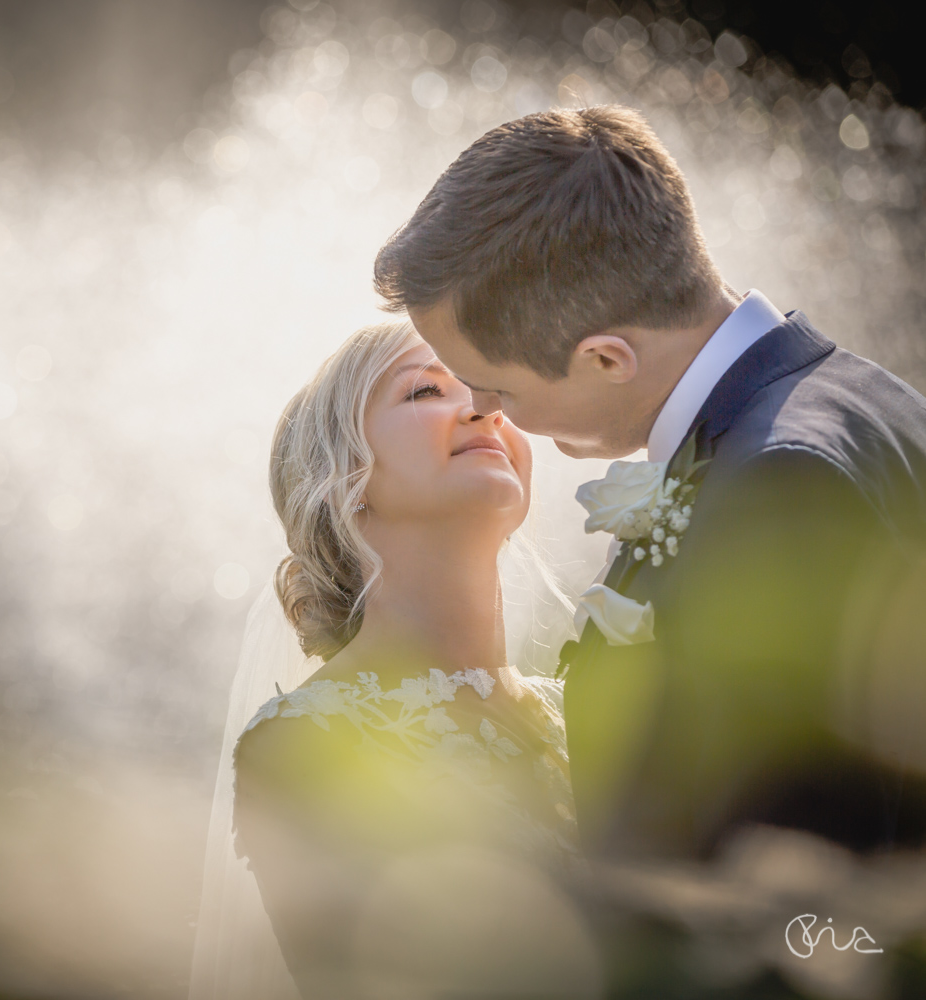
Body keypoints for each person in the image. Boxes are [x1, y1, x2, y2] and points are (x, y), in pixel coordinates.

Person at [372, 105, 926, 865]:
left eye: (492, 386)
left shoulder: (777, 485)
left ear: (607, 358)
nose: (483, 412)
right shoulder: (868, 398)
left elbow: (807, 899)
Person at [218, 322, 600, 999]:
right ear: (345, 479)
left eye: (491, 387)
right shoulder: (304, 747)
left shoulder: (591, 709)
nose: (484, 407)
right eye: (427, 389)